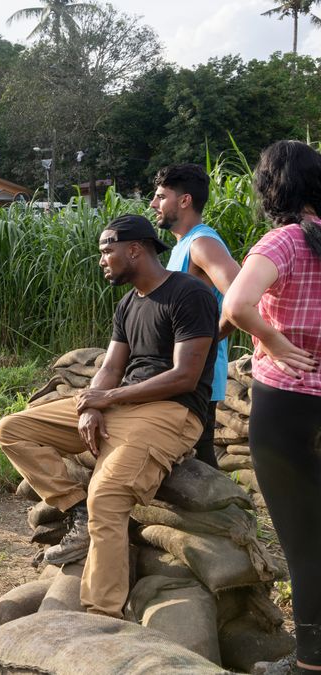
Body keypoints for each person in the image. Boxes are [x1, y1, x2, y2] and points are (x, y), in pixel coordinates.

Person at [0, 214, 217, 619]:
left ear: (134, 249)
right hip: (122, 403)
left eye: (106, 250)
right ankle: (73, 506)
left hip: (170, 412)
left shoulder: (190, 294)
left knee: (108, 497)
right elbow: (111, 366)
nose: (102, 260)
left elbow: (185, 376)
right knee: (12, 428)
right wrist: (94, 403)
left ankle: (101, 616)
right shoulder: (129, 302)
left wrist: (108, 397)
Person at [222, 140, 321, 674]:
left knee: (306, 539)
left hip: (288, 404)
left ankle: (310, 662)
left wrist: (275, 341)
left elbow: (236, 304)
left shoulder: (283, 241)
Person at [151, 164, 240, 468]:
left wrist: (208, 341)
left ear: (185, 200)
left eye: (161, 196)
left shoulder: (203, 244)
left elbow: (240, 298)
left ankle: (234, 515)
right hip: (179, 374)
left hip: (196, 378)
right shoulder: (182, 247)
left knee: (199, 463)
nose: (153, 204)